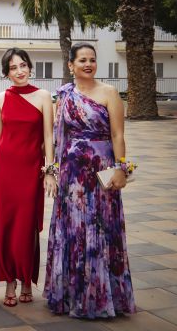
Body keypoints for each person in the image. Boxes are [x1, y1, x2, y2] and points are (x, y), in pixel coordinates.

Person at [44, 42, 136, 318]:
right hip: (72, 174)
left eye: (92, 60)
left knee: (102, 227)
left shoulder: (109, 93)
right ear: (71, 65)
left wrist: (121, 169)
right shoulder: (64, 95)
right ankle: (71, 293)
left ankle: (103, 295)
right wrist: (54, 170)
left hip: (101, 171)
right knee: (73, 230)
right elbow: (57, 135)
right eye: (82, 59)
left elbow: (118, 135)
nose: (88, 64)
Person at [0, 48, 54, 307]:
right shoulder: (0, 98)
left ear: (30, 67)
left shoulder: (44, 96)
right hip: (4, 169)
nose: (20, 71)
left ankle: (27, 280)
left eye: (23, 65)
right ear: (6, 73)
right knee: (5, 226)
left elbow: (49, 138)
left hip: (30, 170)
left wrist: (50, 171)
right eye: (13, 68)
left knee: (26, 226)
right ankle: (10, 282)